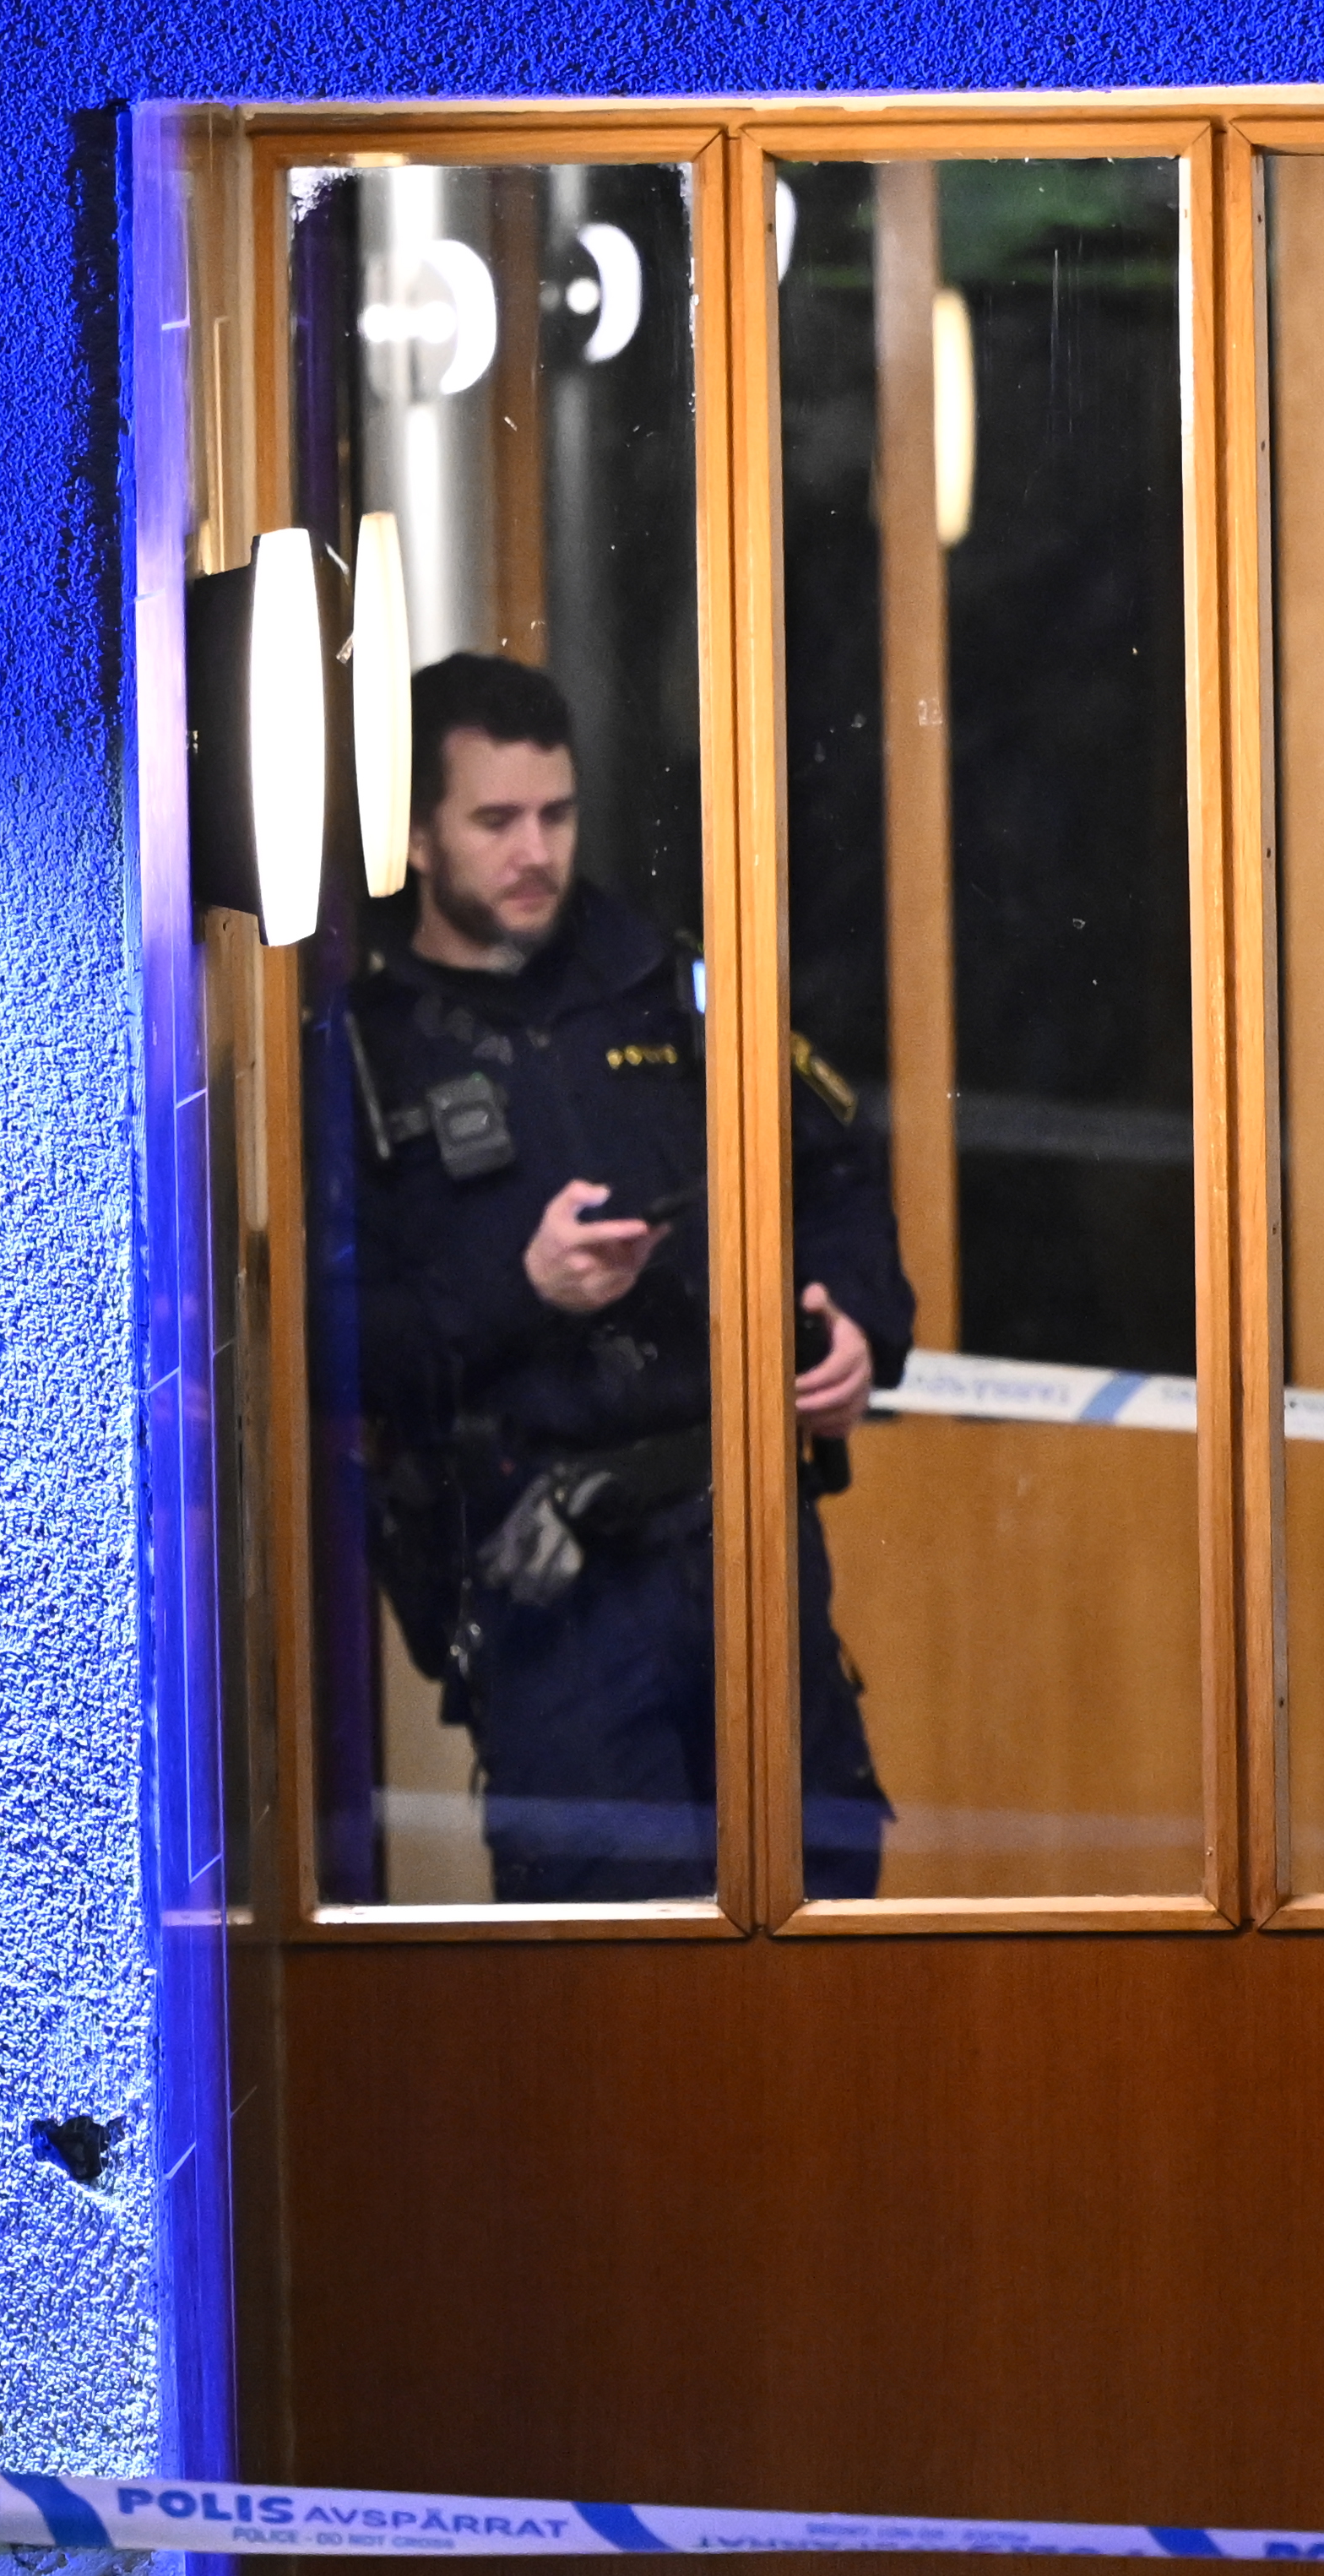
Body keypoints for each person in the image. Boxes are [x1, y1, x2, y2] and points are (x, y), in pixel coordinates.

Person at [340, 650, 911, 1901]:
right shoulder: (360, 1055)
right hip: (550, 1595)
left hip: (746, 1539)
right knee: (607, 1981)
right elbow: (330, 1345)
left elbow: (834, 1179)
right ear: (422, 837)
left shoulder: (667, 986)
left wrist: (859, 1323)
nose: (534, 850)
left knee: (828, 1923)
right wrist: (521, 1292)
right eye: (495, 821)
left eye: (555, 814)